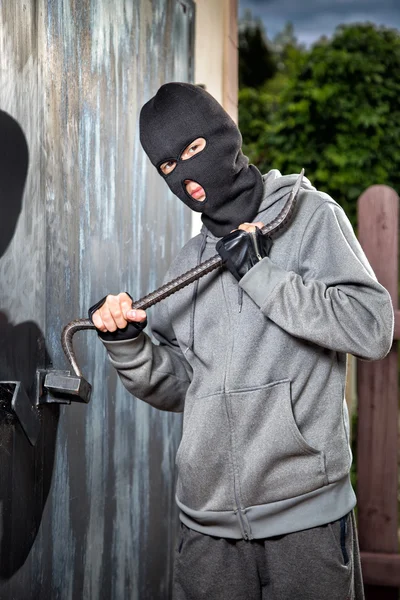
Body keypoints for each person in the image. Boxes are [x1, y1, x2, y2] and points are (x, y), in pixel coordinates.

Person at [89, 83, 393, 599]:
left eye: (191, 150)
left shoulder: (310, 217)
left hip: (305, 518)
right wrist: (129, 345)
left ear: (223, 135)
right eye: (167, 167)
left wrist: (261, 274)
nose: (185, 175)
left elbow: (371, 328)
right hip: (206, 528)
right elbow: (181, 386)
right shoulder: (188, 262)